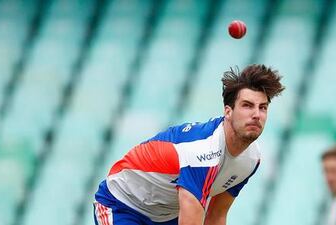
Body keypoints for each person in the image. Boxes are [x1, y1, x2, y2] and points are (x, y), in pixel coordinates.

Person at [93, 64, 285, 225]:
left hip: (166, 216)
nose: (256, 114)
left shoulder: (251, 159)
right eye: (247, 105)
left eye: (263, 108)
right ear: (228, 112)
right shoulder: (203, 151)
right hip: (123, 204)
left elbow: (216, 217)